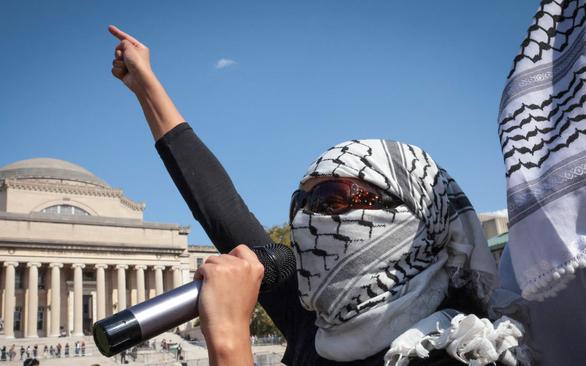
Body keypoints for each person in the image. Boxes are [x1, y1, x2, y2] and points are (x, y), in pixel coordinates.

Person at [108, 25, 528, 366]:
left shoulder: (458, 353)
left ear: (416, 219)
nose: (307, 219)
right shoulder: (318, 325)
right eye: (301, 203)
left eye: (332, 197)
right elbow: (219, 207)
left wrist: (231, 343)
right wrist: (147, 86)